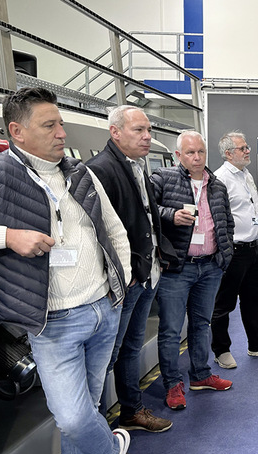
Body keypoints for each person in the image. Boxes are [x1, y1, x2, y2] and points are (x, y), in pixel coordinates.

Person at [0, 87, 132, 454]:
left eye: (61, 123)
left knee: (85, 408)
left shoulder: (79, 173)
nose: (61, 132)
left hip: (103, 308)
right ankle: (111, 450)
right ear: (17, 130)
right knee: (71, 414)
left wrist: (118, 287)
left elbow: (114, 229)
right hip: (52, 321)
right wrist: (8, 237)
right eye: (49, 125)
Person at [88, 105, 174, 434]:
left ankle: (131, 410)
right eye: (139, 130)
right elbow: (100, 232)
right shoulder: (101, 170)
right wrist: (127, 274)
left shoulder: (136, 166)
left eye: (148, 130)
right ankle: (98, 437)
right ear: (116, 132)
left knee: (130, 350)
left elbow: (146, 218)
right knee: (104, 359)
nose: (147, 136)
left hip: (145, 274)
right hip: (126, 281)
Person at [150, 131, 235, 410]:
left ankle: (200, 375)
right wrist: (170, 216)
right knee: (172, 330)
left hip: (210, 267)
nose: (197, 157)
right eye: (190, 153)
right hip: (178, 267)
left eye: (200, 151)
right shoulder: (163, 179)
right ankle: (172, 384)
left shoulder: (217, 186)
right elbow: (148, 210)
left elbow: (227, 223)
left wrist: (225, 255)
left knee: (201, 324)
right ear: (178, 156)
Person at [210, 131, 258, 370]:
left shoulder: (245, 174)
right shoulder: (220, 179)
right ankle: (221, 350)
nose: (248, 150)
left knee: (253, 300)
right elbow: (216, 218)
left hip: (253, 249)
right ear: (229, 153)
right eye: (242, 148)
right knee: (224, 304)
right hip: (234, 251)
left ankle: (257, 343)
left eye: (247, 146)